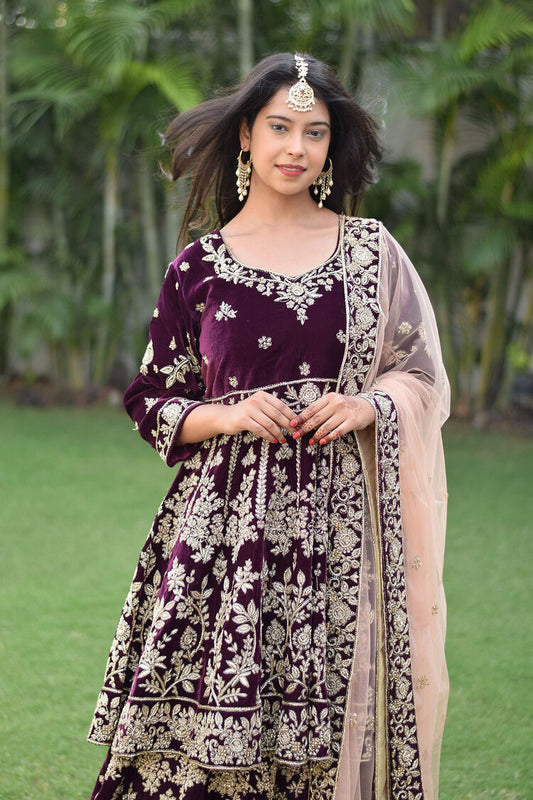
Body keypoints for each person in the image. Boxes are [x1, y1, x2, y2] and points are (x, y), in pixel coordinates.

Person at [87, 52, 449, 800]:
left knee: (326, 736)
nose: (295, 147)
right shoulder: (200, 267)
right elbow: (150, 397)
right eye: (279, 127)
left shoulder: (369, 249)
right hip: (223, 536)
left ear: (329, 147)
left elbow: (420, 375)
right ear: (245, 135)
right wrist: (225, 413)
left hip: (344, 529)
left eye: (313, 132)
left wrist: (366, 405)